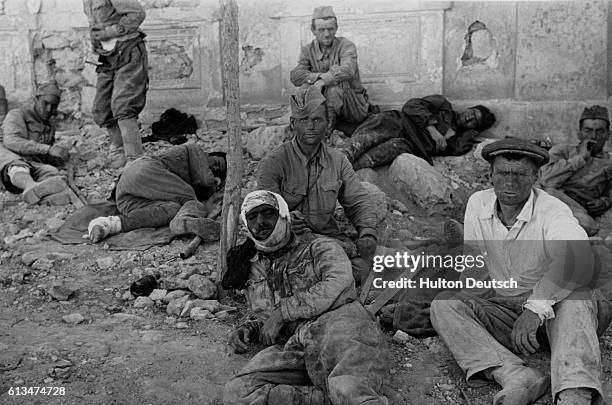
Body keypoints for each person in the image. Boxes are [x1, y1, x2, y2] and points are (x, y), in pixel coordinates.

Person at [430, 138, 611, 405]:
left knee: (576, 297)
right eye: (503, 173)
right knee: (444, 305)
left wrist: (535, 308)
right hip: (510, 310)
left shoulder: (552, 210)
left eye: (519, 174)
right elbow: (475, 270)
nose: (510, 182)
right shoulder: (478, 204)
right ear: (490, 175)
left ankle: (575, 391)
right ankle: (515, 374)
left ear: (536, 177)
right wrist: (463, 310)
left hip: (559, 314)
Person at [222, 190, 389, 405]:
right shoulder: (254, 266)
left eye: (267, 213)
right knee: (238, 393)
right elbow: (267, 314)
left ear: (283, 215)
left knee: (349, 389)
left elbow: (337, 281)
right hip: (294, 342)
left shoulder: (318, 247)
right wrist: (251, 328)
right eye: (252, 217)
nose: (260, 222)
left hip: (339, 326)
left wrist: (283, 312)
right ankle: (329, 400)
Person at [257, 86, 378, 283]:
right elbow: (262, 213)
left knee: (368, 269)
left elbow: (358, 201)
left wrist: (367, 233)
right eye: (304, 120)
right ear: (292, 124)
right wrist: (284, 219)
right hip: (289, 246)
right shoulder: (274, 162)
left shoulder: (337, 160)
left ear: (328, 124)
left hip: (329, 239)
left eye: (317, 120)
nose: (310, 126)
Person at [88, 143, 226, 242]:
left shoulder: (173, 187)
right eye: (217, 162)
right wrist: (216, 183)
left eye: (218, 170)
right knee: (190, 199)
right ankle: (185, 220)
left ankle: (106, 225)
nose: (214, 168)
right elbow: (205, 180)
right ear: (209, 154)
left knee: (172, 209)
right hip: (144, 170)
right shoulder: (195, 149)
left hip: (127, 199)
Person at [342, 94, 496, 170]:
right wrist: (431, 127)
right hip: (398, 122)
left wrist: (470, 133)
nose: (470, 118)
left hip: (408, 144)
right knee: (361, 142)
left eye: (475, 121)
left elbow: (457, 149)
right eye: (473, 113)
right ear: (470, 108)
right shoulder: (444, 106)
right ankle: (335, 163)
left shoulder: (458, 138)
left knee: (371, 159)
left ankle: (340, 174)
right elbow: (412, 105)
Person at [83, 0, 148, 168]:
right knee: (102, 108)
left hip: (128, 51)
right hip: (108, 55)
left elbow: (137, 14)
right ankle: (118, 150)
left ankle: (135, 158)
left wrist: (111, 32)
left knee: (123, 105)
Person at [290, 6, 370, 133]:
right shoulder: (307, 50)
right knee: (302, 90)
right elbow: (296, 75)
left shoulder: (346, 45)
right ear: (313, 30)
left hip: (353, 107)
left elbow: (347, 70)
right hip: (323, 104)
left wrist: (322, 82)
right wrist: (318, 78)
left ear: (336, 28)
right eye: (321, 30)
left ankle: (326, 131)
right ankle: (305, 127)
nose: (327, 34)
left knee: (333, 90)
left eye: (330, 29)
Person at [539, 105, 612, 236]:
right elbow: (546, 180)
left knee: (588, 224)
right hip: (556, 200)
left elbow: (609, 193)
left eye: (600, 131)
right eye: (588, 130)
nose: (594, 136)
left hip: (584, 209)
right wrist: (580, 158)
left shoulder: (609, 162)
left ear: (608, 134)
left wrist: (603, 202)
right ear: (579, 133)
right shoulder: (562, 151)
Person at [0, 80, 70, 204]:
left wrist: (58, 157)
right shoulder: (17, 114)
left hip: (31, 163)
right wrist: (47, 149)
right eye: (45, 103)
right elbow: (11, 141)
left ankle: (46, 197)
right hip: (7, 163)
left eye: (54, 105)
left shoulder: (49, 124)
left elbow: (42, 154)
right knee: (17, 165)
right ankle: (30, 185)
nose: (49, 109)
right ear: (36, 99)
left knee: (51, 171)